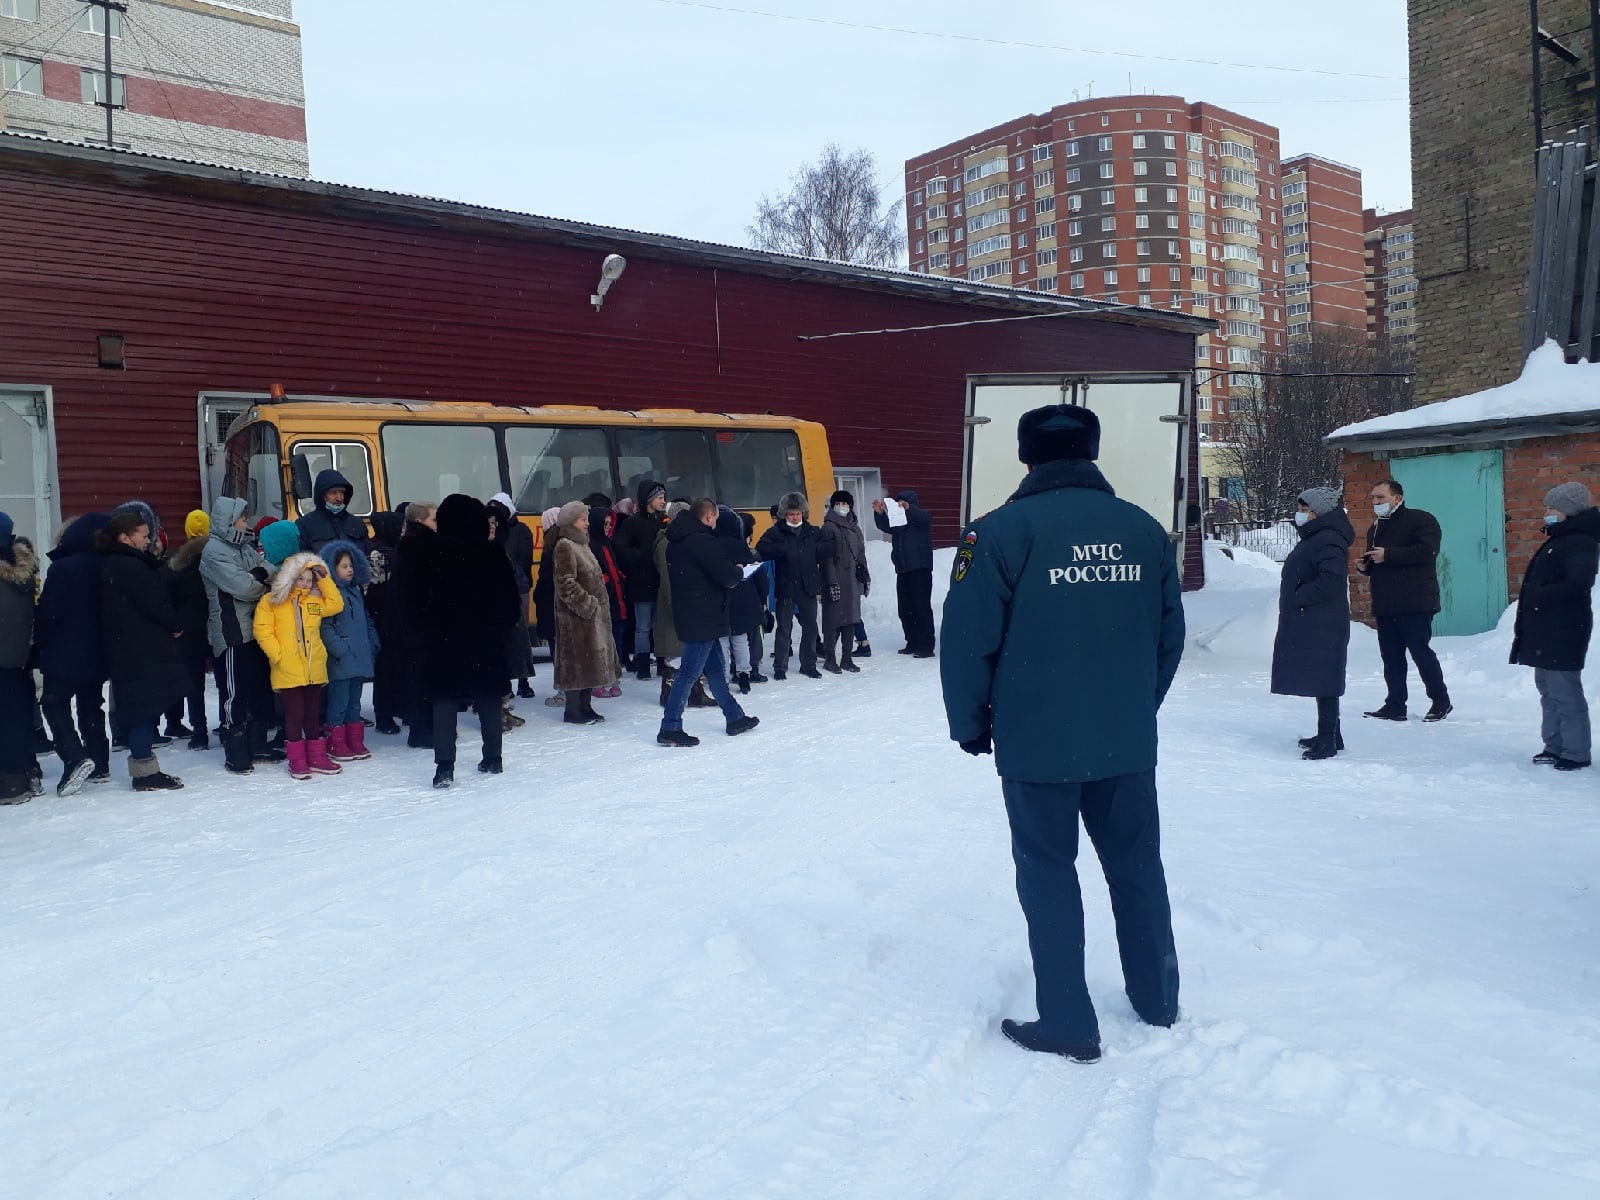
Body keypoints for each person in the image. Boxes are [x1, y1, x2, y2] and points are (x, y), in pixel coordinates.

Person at [940, 404, 1183, 1064]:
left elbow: (966, 643)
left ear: (1026, 457)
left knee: (1048, 873)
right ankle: (1159, 998)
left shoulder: (997, 534)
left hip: (1037, 740)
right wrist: (1135, 706)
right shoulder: (1144, 530)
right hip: (1125, 740)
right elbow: (1168, 636)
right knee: (1137, 867)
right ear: (1094, 452)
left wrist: (970, 723)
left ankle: (1070, 1021)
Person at [403, 494, 519, 787]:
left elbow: (415, 601)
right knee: (489, 697)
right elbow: (511, 605)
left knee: (444, 699)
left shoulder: (430, 553)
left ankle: (444, 767)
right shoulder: (492, 553)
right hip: (486, 638)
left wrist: (427, 629)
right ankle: (493, 757)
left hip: (444, 640)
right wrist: (499, 627)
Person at [1509, 482, 1600, 771]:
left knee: (1565, 691)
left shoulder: (1581, 541)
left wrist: (1538, 595)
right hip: (1546, 627)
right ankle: (1554, 745)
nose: (1546, 512)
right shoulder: (1560, 538)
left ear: (1568, 511)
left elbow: (1577, 584)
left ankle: (1576, 752)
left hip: (1564, 628)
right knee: (1547, 688)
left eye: (1552, 508)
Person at [658, 498, 760, 747]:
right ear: (709, 516)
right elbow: (725, 575)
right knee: (689, 673)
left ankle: (734, 716)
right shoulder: (702, 541)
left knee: (715, 668)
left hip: (698, 614)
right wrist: (737, 569)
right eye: (715, 518)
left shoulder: (677, 540)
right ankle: (670, 727)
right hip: (703, 616)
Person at [98, 511, 185, 791]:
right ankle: (144, 770)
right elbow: (155, 602)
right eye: (144, 535)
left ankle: (144, 766)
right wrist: (174, 623)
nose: (149, 541)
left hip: (129, 647)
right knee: (143, 709)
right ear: (125, 537)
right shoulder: (130, 566)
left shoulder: (113, 564)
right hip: (141, 649)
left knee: (140, 707)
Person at [1357, 478, 1451, 722]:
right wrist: (1365, 565)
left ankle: (1441, 701)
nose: (1375, 502)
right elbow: (1376, 559)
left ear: (1397, 498)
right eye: (1373, 498)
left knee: (1420, 651)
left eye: (1381, 498)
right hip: (1386, 602)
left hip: (1415, 600)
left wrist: (1388, 555)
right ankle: (1395, 704)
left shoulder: (1420, 520)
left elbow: (1426, 551)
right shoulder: (1376, 527)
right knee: (1391, 655)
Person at [1271, 488, 1354, 761]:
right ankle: (1331, 734)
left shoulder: (1328, 539)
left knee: (1325, 679)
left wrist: (1298, 596)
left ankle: (1328, 740)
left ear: (1319, 512)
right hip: (1317, 619)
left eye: (1305, 510)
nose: (1301, 514)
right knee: (1322, 677)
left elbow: (1331, 579)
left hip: (1322, 620)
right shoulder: (1319, 536)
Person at [200, 497, 280, 774]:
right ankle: (235, 749)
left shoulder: (244, 547)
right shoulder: (213, 552)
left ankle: (257, 743)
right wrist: (259, 577)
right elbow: (244, 588)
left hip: (257, 627)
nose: (246, 523)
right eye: (242, 519)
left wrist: (259, 574)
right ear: (228, 521)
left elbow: (271, 570)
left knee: (259, 689)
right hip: (232, 631)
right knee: (235, 692)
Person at [36, 513, 112, 795]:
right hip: (98, 648)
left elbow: (49, 612)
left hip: (64, 649)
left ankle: (74, 757)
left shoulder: (63, 568)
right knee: (91, 703)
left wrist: (40, 643)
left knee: (54, 703)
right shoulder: (106, 564)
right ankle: (99, 761)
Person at [254, 550, 344, 780]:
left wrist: (323, 578)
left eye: (309, 579)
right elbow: (263, 630)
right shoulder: (272, 600)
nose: (304, 583)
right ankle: (297, 759)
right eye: (300, 578)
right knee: (294, 714)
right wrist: (278, 655)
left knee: (313, 713)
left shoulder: (314, 600)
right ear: (290, 577)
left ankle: (316, 756)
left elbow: (336, 604)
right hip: (288, 668)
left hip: (313, 667)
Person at [550, 500, 622, 725]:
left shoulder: (581, 544)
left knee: (590, 663)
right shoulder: (565, 545)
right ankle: (573, 710)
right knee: (577, 664)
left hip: (590, 618)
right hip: (576, 618)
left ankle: (585, 706)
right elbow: (564, 583)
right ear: (572, 521)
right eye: (583, 519)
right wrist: (588, 604)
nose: (587, 523)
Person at [756, 492, 828, 680]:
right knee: (784, 629)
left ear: (803, 513)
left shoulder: (813, 531)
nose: (795, 517)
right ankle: (780, 667)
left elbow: (829, 547)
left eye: (797, 513)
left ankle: (809, 664)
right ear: (784, 515)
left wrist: (814, 551)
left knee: (810, 627)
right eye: (790, 514)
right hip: (786, 586)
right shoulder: (776, 532)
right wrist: (781, 550)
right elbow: (762, 549)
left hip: (808, 586)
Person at [321, 539, 379, 762]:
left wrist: (372, 640)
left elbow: (365, 619)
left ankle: (354, 739)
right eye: (344, 566)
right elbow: (325, 626)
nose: (349, 570)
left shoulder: (355, 590)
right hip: (341, 658)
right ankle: (335, 741)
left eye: (351, 566)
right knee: (339, 701)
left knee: (355, 700)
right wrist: (339, 649)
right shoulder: (330, 593)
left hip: (360, 653)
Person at [161, 510, 212, 748]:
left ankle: (199, 730)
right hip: (216, 626)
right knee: (225, 681)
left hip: (188, 631)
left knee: (193, 683)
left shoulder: (178, 563)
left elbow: (168, 600)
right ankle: (229, 724)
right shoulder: (216, 558)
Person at [0, 512, 40, 803]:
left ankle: (12, 782)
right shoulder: (23, 570)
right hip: (18, 655)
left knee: (7, 720)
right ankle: (26, 771)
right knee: (18, 715)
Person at [614, 480, 669, 679]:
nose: (664, 501)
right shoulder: (632, 522)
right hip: (641, 582)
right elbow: (620, 549)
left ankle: (663, 662)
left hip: (661, 581)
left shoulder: (665, 521)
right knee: (643, 626)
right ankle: (643, 663)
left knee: (660, 625)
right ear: (649, 499)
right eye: (660, 497)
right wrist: (640, 557)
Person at [395, 501, 439, 750]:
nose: (437, 524)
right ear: (421, 521)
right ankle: (425, 731)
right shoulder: (420, 546)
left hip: (417, 626)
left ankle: (424, 729)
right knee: (424, 680)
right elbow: (421, 589)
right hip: (423, 626)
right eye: (434, 519)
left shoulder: (411, 544)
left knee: (421, 679)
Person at [873, 488, 936, 658]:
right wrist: (879, 513)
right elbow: (885, 526)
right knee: (905, 609)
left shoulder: (920, 517)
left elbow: (925, 517)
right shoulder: (897, 521)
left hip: (920, 568)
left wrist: (909, 508)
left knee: (921, 608)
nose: (899, 505)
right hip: (903, 570)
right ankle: (912, 642)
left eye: (903, 502)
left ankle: (926, 646)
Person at [487, 492, 537, 700]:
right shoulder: (490, 536)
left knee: (520, 636)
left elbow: (524, 560)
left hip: (517, 586)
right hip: (501, 590)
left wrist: (518, 579)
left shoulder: (519, 530)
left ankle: (523, 681)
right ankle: (506, 683)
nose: (493, 523)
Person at [365, 508, 406, 735]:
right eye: (398, 527)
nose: (401, 531)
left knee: (399, 664)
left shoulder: (396, 548)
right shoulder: (376, 553)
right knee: (385, 667)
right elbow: (374, 587)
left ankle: (401, 707)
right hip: (381, 616)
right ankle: (384, 714)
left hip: (397, 615)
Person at [820, 489, 870, 674]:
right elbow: (826, 559)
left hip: (853, 581)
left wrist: (865, 577)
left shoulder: (855, 528)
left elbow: (861, 554)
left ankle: (847, 658)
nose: (843, 507)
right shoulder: (829, 527)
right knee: (833, 621)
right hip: (837, 580)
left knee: (851, 619)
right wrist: (831, 582)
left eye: (845, 504)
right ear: (833, 506)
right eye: (839, 504)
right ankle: (830, 658)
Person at [714, 505, 762, 693]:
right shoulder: (741, 544)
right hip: (742, 597)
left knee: (723, 641)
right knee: (741, 639)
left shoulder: (714, 544)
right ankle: (744, 674)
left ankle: (724, 679)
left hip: (722, 598)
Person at [653, 500, 689, 703]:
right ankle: (669, 694)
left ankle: (690, 692)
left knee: (682, 651)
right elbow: (667, 580)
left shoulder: (675, 540)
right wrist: (677, 607)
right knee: (674, 651)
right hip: (674, 604)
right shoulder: (667, 543)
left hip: (680, 602)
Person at [533, 506, 564, 709]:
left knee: (558, 652)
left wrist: (537, 597)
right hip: (559, 608)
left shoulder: (551, 548)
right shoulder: (565, 543)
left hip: (552, 609)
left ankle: (564, 691)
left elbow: (545, 583)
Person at [296, 468, 369, 553]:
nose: (339, 498)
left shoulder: (357, 524)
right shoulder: (304, 525)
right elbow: (303, 560)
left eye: (342, 492)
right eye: (333, 493)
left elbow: (367, 553)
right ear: (322, 495)